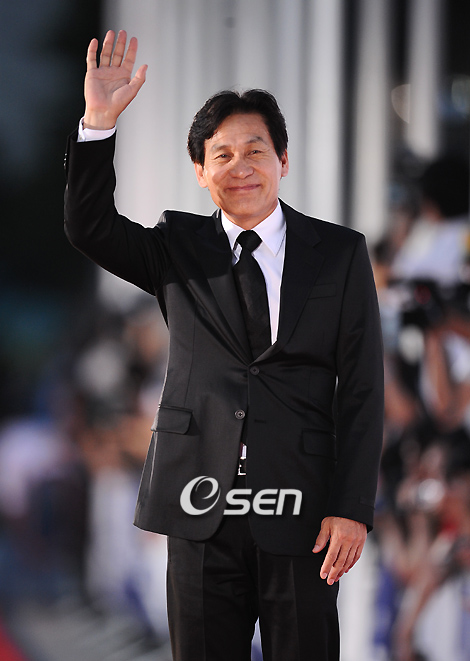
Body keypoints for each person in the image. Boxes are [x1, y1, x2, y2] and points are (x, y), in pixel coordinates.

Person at [64, 30, 384, 661]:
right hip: (199, 504)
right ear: (201, 172)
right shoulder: (177, 247)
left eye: (255, 151)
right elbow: (88, 226)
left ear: (283, 160)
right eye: (223, 155)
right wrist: (98, 123)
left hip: (302, 507)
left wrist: (352, 507)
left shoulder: (339, 253)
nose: (241, 167)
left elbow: (362, 388)